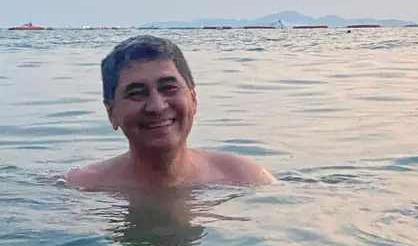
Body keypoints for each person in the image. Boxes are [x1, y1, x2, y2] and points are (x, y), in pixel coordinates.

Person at [68, 35, 276, 191]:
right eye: (136, 93)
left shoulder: (245, 179)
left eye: (169, 88)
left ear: (193, 98)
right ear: (111, 112)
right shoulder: (83, 188)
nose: (157, 106)